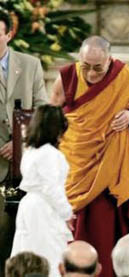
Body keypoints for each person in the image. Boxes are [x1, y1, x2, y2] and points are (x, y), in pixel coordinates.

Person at [50, 35, 129, 277]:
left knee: (104, 219)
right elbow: (50, 120)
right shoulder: (66, 77)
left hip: (109, 163)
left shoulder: (124, 77)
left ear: (109, 60)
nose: (91, 74)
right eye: (86, 66)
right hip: (75, 159)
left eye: (98, 68)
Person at [10, 105, 74, 277]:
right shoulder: (50, 154)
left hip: (29, 206)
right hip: (45, 209)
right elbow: (52, 189)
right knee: (49, 252)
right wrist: (67, 213)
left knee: (28, 250)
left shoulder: (31, 151)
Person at [0, 11, 47, 182]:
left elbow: (42, 111)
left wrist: (20, 142)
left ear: (9, 35)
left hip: (24, 165)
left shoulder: (31, 65)